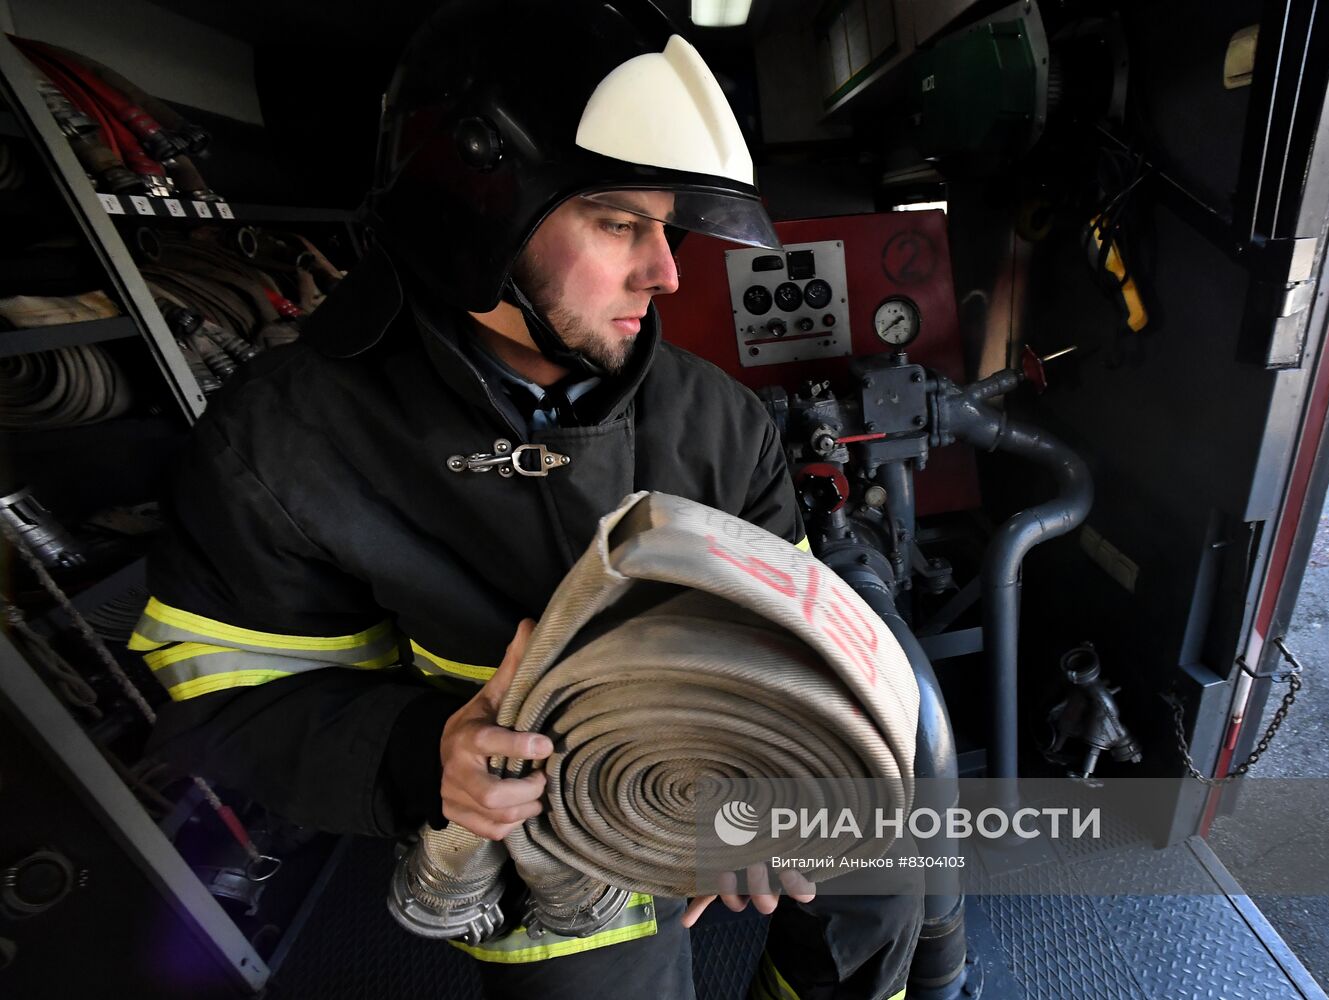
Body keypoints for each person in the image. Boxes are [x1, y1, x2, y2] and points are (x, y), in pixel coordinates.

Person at [130, 1, 921, 997]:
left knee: (882, 888)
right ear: (474, 213)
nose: (666, 272)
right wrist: (427, 752)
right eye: (618, 223)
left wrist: (774, 778)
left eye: (666, 227)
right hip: (539, 872)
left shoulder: (716, 419)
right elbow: (225, 702)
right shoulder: (285, 443)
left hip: (718, 795)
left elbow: (788, 638)